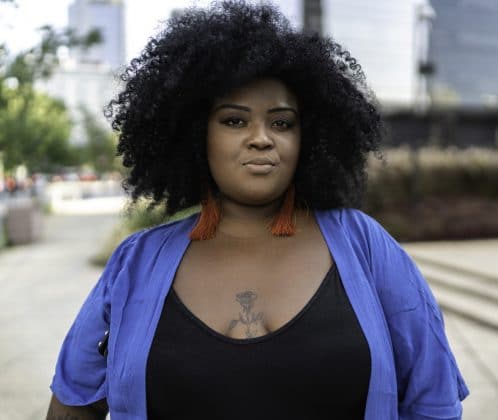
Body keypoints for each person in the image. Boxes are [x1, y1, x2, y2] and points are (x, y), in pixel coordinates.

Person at [47, 2, 469, 419]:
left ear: (309, 137)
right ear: (196, 134)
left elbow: (434, 403)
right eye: (234, 121)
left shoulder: (367, 248)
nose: (261, 138)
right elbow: (73, 401)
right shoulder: (136, 263)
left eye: (282, 123)